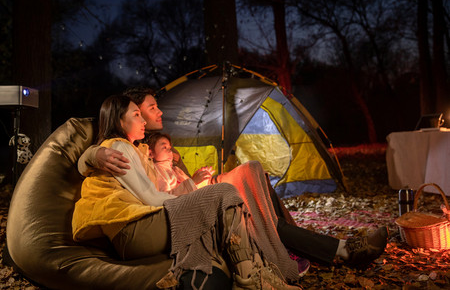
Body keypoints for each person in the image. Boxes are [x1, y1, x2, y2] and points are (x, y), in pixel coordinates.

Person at [78, 87, 388, 269]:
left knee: (252, 171)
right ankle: (338, 249)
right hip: (179, 206)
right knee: (247, 202)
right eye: (149, 108)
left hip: (191, 195)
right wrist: (91, 155)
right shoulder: (137, 149)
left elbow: (175, 184)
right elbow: (147, 188)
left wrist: (195, 178)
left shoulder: (154, 145)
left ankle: (312, 244)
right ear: (130, 115)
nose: (158, 111)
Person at [72, 94, 302, 290]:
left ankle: (253, 274)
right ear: (119, 121)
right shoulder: (118, 147)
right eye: (137, 114)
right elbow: (150, 197)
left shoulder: (137, 149)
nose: (144, 118)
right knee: (224, 192)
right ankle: (251, 278)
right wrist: (195, 199)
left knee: (227, 192)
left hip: (136, 224)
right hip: (132, 228)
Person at [147, 132, 215, 193]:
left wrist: (203, 180)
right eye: (164, 147)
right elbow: (166, 198)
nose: (170, 152)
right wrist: (193, 182)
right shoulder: (157, 171)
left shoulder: (176, 170)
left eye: (170, 148)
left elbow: (192, 189)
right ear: (151, 154)